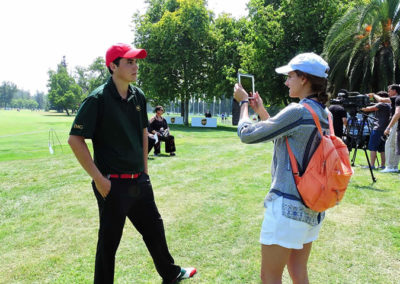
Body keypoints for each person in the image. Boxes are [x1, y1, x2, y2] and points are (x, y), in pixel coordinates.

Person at [68, 43, 196, 284]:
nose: (136, 66)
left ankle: (170, 273)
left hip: (139, 181)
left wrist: (145, 171)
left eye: (136, 61)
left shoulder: (138, 95)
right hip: (112, 186)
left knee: (154, 230)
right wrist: (99, 180)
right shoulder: (97, 99)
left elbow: (143, 133)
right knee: (109, 243)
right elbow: (75, 139)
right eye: (129, 62)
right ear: (113, 66)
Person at [234, 53, 330, 284]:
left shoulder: (298, 111)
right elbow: (289, 140)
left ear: (304, 79)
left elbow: (246, 135)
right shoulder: (323, 113)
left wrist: (244, 104)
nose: (286, 82)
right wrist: (262, 112)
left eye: (290, 76)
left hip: (287, 207)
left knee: (270, 277)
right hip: (312, 205)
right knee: (298, 271)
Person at [371, 84, 400, 172]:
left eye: (389, 90)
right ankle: (394, 166)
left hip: (396, 122)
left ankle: (390, 166)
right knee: (396, 144)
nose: (388, 93)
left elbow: (381, 100)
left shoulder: (397, 98)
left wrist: (373, 95)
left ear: (395, 91)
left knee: (389, 144)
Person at [361, 91, 391, 169]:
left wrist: (360, 107)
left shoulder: (381, 104)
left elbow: (368, 109)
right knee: (382, 149)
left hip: (377, 128)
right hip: (385, 129)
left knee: (372, 147)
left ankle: (372, 165)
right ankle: (382, 165)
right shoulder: (389, 105)